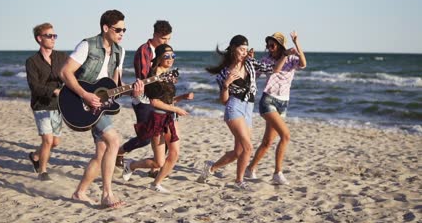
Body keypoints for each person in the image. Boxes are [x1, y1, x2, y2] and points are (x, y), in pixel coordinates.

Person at [59, 10, 144, 208]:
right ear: (106, 28)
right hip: (82, 101)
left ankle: (79, 193)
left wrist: (134, 91)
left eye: (124, 30)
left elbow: (114, 86)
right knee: (114, 140)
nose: (122, 33)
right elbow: (65, 72)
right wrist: (85, 94)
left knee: (102, 152)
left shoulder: (119, 52)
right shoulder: (87, 45)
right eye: (118, 29)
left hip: (101, 106)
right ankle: (107, 194)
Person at [198, 35, 279, 190]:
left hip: (249, 107)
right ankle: (239, 181)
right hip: (233, 107)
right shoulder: (224, 72)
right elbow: (223, 100)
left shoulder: (250, 63)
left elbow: (273, 69)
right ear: (234, 48)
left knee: (238, 151)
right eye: (241, 49)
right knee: (248, 147)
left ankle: (210, 169)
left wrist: (285, 55)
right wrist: (227, 84)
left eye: (246, 49)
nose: (244, 52)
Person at [122, 44, 194, 193]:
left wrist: (182, 98)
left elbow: (167, 99)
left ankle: (156, 183)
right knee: (158, 161)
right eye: (167, 56)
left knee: (174, 153)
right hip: (157, 120)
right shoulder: (153, 75)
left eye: (173, 56)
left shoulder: (167, 74)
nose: (170, 59)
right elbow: (154, 102)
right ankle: (131, 165)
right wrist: (176, 109)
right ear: (159, 57)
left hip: (170, 118)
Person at [245, 31, 306, 185]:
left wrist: (297, 43)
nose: (269, 47)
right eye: (268, 44)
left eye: (272, 44)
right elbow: (258, 75)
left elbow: (304, 64)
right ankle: (277, 173)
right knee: (286, 136)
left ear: (279, 45)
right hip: (268, 100)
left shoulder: (292, 59)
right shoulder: (266, 60)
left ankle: (250, 169)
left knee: (267, 142)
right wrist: (250, 61)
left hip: (283, 103)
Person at [116, 20, 173, 175]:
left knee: (164, 132)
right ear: (154, 35)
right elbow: (145, 78)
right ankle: (120, 151)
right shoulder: (144, 51)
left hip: (159, 99)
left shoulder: (164, 51)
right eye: (163, 39)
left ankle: (155, 168)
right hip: (143, 98)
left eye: (168, 39)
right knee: (146, 137)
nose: (166, 42)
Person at [26, 22, 68, 182]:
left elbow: (70, 73)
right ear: (39, 38)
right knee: (47, 140)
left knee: (55, 142)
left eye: (54, 35)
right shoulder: (32, 61)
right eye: (49, 36)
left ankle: (35, 156)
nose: (53, 39)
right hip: (41, 105)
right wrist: (54, 91)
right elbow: (34, 86)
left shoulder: (61, 56)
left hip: (58, 105)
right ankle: (43, 171)